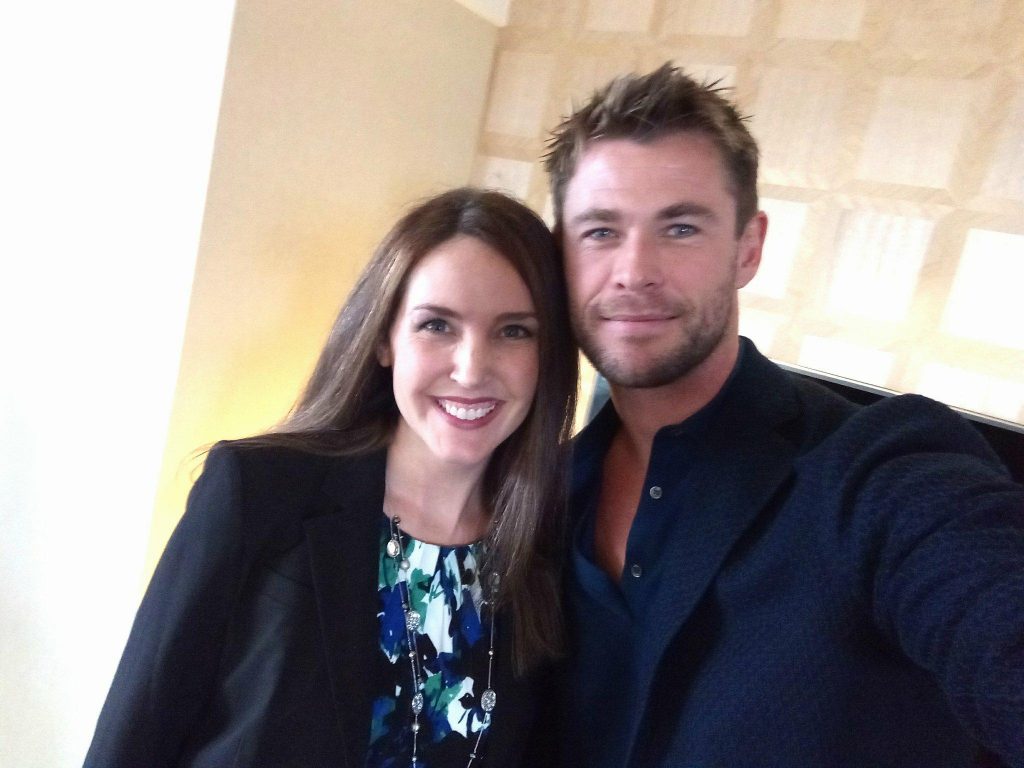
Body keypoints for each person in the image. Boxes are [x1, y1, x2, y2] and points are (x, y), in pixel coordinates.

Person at [542, 64, 1024, 767]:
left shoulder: (878, 467)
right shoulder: (542, 492)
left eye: (681, 227)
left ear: (749, 247)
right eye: (600, 231)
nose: (634, 269)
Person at [83, 188, 578, 768]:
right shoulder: (259, 491)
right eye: (437, 325)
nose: (471, 369)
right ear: (384, 339)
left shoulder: (552, 546)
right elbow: (136, 736)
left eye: (514, 331)